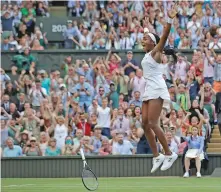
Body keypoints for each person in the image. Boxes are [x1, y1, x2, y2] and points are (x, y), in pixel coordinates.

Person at [141, 3, 178, 173]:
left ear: (153, 44)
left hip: (156, 88)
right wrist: (147, 25)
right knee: (144, 124)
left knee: (153, 123)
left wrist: (169, 18)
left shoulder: (156, 52)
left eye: (146, 39)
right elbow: (152, 35)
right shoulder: (149, 53)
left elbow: (163, 35)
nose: (143, 40)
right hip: (148, 89)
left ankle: (169, 153)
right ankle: (157, 156)